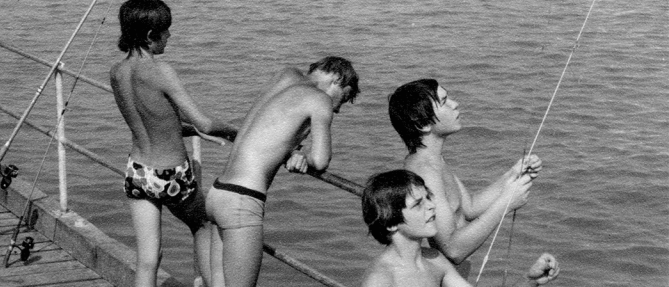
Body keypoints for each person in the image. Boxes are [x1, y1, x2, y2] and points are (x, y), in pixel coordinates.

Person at [110, 0, 237, 287]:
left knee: (148, 259)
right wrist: (234, 132)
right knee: (203, 225)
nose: (170, 35)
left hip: (137, 172)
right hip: (171, 175)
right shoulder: (161, 71)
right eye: (166, 30)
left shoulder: (117, 72)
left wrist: (190, 131)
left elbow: (149, 122)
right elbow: (204, 121)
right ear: (151, 36)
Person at [206, 55, 360, 287]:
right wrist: (304, 157)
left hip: (219, 192)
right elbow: (320, 160)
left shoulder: (286, 76)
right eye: (344, 98)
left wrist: (292, 152)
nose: (337, 109)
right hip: (242, 201)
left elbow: (271, 127)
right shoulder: (321, 99)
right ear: (337, 80)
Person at [388, 79, 542, 272]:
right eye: (444, 101)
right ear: (422, 123)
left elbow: (468, 208)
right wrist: (506, 203)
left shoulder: (434, 160)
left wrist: (511, 175)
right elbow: (453, 249)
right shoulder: (425, 172)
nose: (455, 104)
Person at [360, 170, 559, 287]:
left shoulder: (434, 259)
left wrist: (529, 280)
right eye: (418, 204)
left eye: (429, 197)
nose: (431, 205)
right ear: (391, 222)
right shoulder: (381, 280)